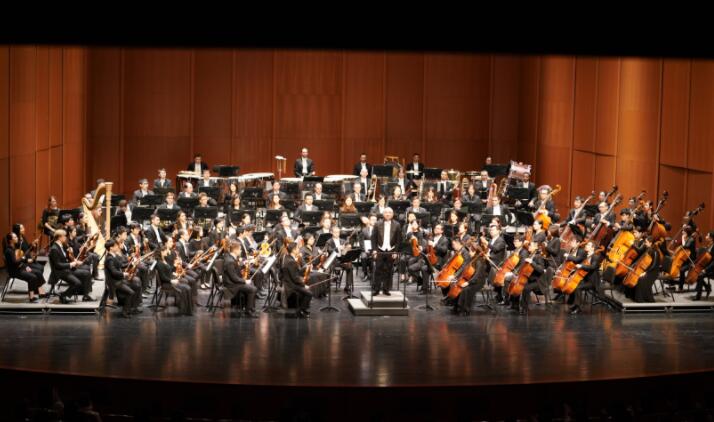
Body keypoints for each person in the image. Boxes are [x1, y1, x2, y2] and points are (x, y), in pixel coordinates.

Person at [48, 229, 93, 304]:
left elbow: (65, 258)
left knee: (87, 273)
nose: (66, 237)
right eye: (64, 236)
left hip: (66, 270)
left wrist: (74, 260)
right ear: (59, 237)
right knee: (77, 283)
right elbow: (57, 265)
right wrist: (70, 264)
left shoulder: (61, 246)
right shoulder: (54, 249)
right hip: (60, 272)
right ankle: (63, 295)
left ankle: (86, 296)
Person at [104, 239, 142, 318]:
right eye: (115, 246)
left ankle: (133, 308)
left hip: (119, 280)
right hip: (114, 282)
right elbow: (114, 272)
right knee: (130, 292)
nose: (117, 247)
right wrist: (124, 274)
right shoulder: (109, 259)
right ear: (111, 248)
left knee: (137, 286)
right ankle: (125, 311)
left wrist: (132, 263)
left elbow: (121, 265)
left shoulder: (113, 256)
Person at [4, 232, 45, 302]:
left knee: (38, 272)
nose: (17, 238)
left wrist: (26, 265)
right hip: (15, 271)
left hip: (20, 267)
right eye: (15, 237)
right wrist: (23, 258)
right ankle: (31, 297)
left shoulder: (14, 248)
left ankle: (41, 292)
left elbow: (19, 260)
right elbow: (15, 262)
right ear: (10, 240)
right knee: (32, 277)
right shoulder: (9, 250)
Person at [222, 240, 258, 317]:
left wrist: (243, 264)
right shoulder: (230, 261)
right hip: (232, 285)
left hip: (233, 282)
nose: (241, 251)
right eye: (240, 249)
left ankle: (249, 307)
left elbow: (235, 269)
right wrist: (245, 281)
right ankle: (249, 311)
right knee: (253, 289)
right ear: (235, 250)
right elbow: (234, 278)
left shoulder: (231, 258)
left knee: (251, 284)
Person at [155, 244, 194, 315]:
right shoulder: (159, 263)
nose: (167, 251)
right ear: (161, 252)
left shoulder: (163, 260)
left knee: (187, 287)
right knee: (186, 288)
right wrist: (171, 280)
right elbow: (163, 277)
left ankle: (187, 309)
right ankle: (184, 310)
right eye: (165, 250)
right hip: (167, 284)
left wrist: (174, 268)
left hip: (170, 280)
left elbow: (168, 271)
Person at [371, 207, 402, 295]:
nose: (388, 214)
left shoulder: (397, 225)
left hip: (391, 250)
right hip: (380, 250)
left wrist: (395, 251)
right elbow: (373, 238)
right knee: (378, 270)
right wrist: (374, 250)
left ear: (392, 214)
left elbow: (398, 240)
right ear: (383, 214)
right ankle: (376, 289)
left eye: (389, 212)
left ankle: (386, 289)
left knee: (389, 270)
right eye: (386, 212)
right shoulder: (377, 224)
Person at [281, 242, 313, 318]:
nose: (299, 250)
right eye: (298, 248)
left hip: (289, 282)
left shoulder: (287, 257)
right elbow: (295, 278)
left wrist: (305, 269)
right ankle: (301, 310)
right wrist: (304, 285)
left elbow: (295, 272)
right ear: (293, 250)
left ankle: (303, 309)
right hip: (291, 285)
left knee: (306, 290)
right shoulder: (291, 261)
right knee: (309, 293)